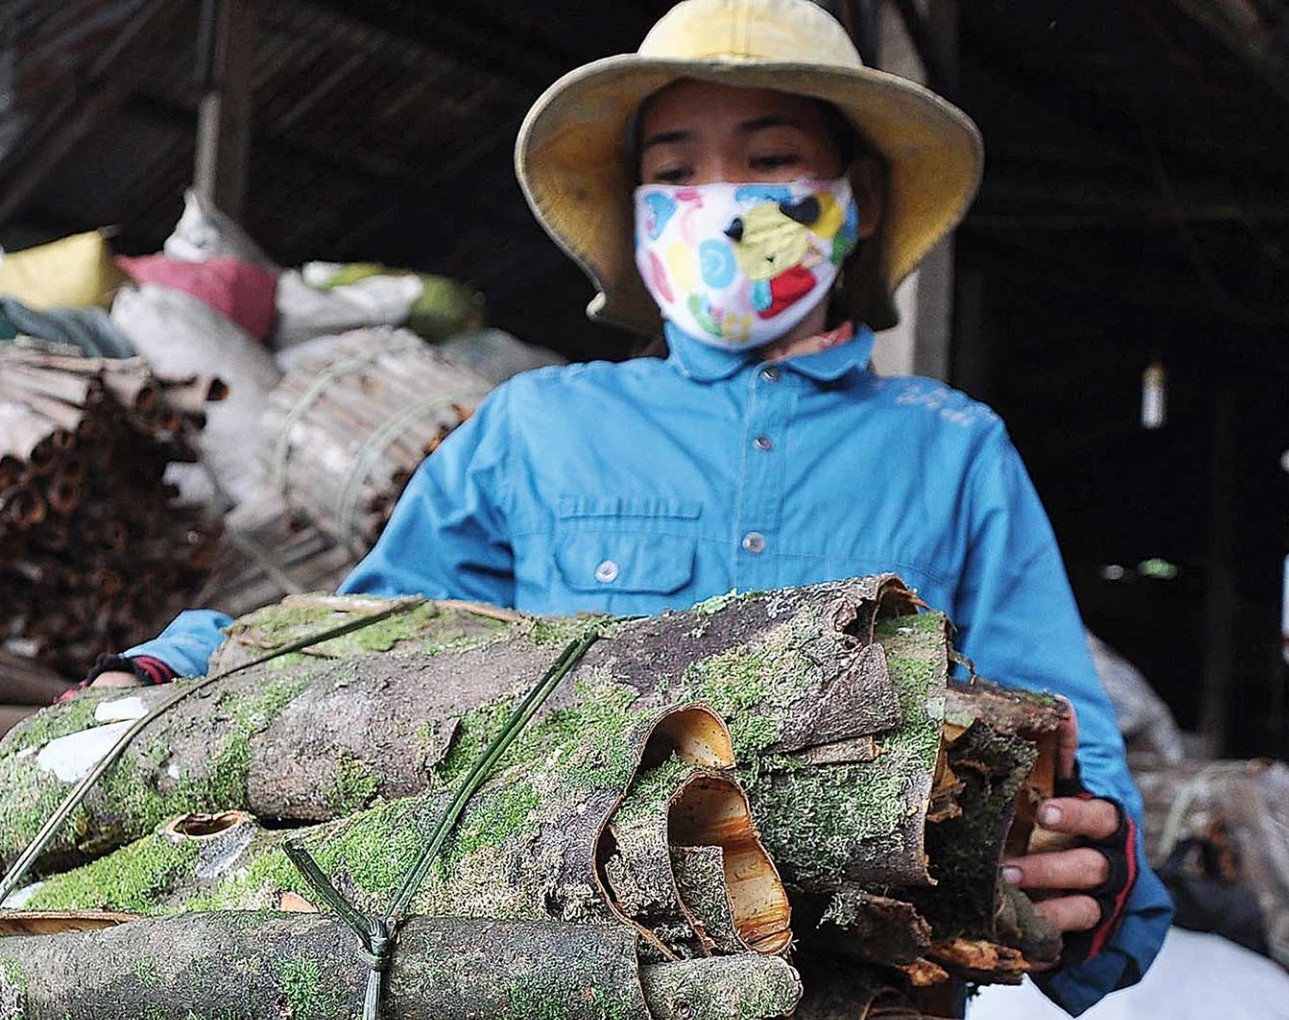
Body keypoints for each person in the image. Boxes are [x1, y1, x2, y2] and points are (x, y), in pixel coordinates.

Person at [87, 0, 1172, 1011]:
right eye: (677, 171)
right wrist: (187, 669)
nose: (722, 200)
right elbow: (364, 650)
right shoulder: (536, 428)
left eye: (769, 160)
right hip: (570, 973)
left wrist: (1096, 866)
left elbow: (1063, 746)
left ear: (860, 198)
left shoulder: (952, 450)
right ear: (639, 214)